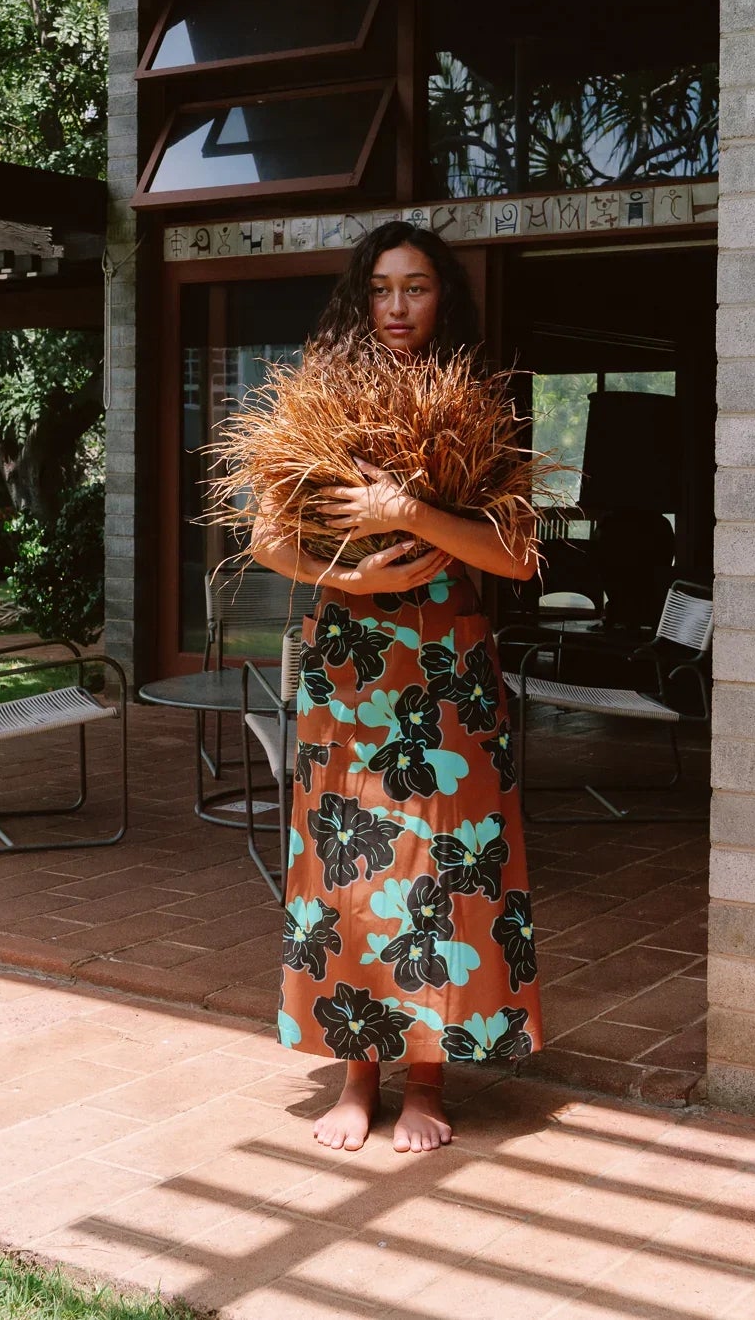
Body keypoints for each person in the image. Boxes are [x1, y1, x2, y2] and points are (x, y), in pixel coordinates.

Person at [248, 221, 544, 1154]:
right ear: (359, 297)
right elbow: (268, 536)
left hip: (448, 670)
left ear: (443, 297)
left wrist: (411, 512)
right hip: (349, 667)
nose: (397, 306)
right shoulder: (318, 400)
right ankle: (355, 1074)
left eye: (416, 287)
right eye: (381, 288)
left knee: (442, 866)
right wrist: (357, 578)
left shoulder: (486, 409)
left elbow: (516, 552)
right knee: (351, 865)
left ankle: (425, 1078)